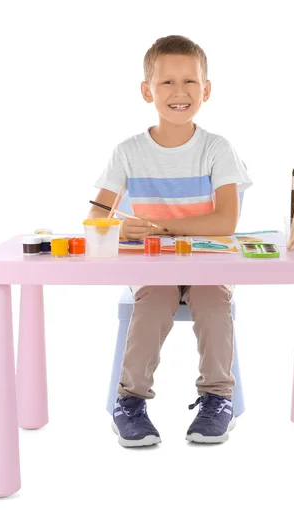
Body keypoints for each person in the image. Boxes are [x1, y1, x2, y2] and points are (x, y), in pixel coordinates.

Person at [88, 35, 252, 447]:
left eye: (190, 82)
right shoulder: (127, 152)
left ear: (206, 90)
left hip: (207, 267)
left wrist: (166, 228)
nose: (179, 93)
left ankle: (218, 397)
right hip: (152, 269)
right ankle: (129, 402)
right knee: (156, 299)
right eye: (166, 83)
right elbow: (95, 219)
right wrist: (121, 229)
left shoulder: (217, 149)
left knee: (214, 302)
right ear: (147, 91)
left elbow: (227, 221)